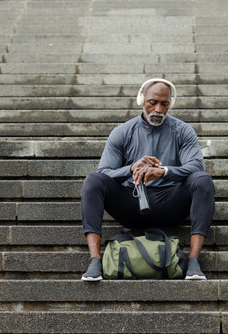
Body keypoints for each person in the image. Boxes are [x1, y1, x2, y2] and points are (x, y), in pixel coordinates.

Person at [80, 78, 215, 281]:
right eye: (153, 102)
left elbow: (196, 166)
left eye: (164, 104)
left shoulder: (183, 131)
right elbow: (104, 171)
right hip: (131, 202)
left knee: (202, 179)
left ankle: (194, 261)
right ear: (142, 99)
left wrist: (163, 172)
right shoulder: (122, 132)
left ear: (170, 103)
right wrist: (131, 168)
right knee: (93, 180)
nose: (158, 109)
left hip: (170, 203)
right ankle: (95, 261)